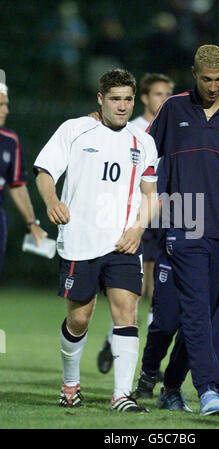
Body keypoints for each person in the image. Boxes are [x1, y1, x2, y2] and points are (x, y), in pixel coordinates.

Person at [135, 44, 219, 416]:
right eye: (208, 79)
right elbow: (143, 151)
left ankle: (171, 386)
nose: (214, 87)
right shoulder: (173, 108)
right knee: (194, 309)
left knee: (208, 313)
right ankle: (209, 389)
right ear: (194, 74)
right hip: (184, 222)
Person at [33, 69, 158, 412]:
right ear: (100, 99)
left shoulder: (143, 142)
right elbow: (45, 172)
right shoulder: (75, 129)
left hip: (123, 243)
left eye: (128, 99)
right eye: (115, 99)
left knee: (127, 313)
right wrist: (52, 201)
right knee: (80, 319)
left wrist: (137, 229)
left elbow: (151, 195)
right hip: (80, 240)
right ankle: (70, 383)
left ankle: (122, 395)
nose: (122, 106)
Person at [96, 73, 174, 377]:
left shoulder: (173, 129)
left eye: (168, 93)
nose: (164, 99)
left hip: (167, 215)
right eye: (158, 94)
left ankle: (144, 360)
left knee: (160, 288)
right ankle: (114, 339)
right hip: (135, 219)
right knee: (136, 289)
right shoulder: (134, 130)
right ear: (144, 98)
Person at [0, 79, 46, 272]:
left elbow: (17, 185)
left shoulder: (9, 140)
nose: (6, 110)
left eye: (6, 105)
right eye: (1, 105)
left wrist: (32, 223)